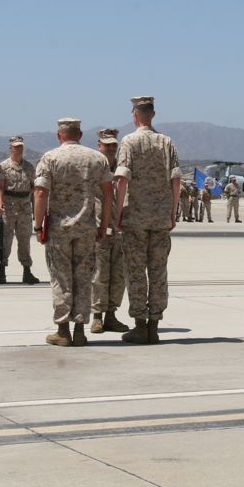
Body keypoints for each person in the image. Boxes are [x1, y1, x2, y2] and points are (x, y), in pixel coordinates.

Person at [34, 118, 112, 347]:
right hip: (87, 228)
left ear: (60, 135)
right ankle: (79, 330)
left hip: (59, 230)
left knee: (61, 278)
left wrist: (38, 226)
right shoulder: (96, 158)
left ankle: (62, 330)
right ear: (79, 134)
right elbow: (108, 193)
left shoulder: (50, 158)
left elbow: (40, 192)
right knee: (84, 278)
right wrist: (103, 225)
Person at [114, 96, 181, 345]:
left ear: (135, 115)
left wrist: (118, 212)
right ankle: (154, 325)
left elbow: (122, 180)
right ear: (152, 114)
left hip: (136, 218)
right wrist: (172, 211)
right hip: (160, 218)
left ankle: (140, 324)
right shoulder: (166, 142)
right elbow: (176, 181)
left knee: (136, 271)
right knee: (158, 271)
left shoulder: (129, 142)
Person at [90, 128, 130, 334]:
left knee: (118, 275)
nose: (111, 148)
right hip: (99, 226)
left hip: (120, 226)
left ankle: (111, 314)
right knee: (99, 273)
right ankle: (96, 315)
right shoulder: (93, 168)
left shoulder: (123, 168)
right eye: (107, 145)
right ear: (99, 145)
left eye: (114, 145)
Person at [0, 136, 39, 284]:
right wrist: (0, 203)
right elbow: (0, 188)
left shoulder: (29, 167)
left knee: (24, 240)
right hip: (9, 206)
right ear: (10, 148)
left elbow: (35, 185)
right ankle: (1, 270)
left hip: (24, 207)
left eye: (21, 146)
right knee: (6, 240)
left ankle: (27, 271)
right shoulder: (4, 166)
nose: (19, 149)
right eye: (16, 147)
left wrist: (27, 195)